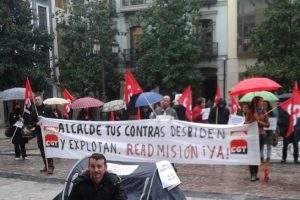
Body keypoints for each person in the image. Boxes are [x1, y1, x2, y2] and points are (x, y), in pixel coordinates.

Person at [245, 96, 269, 181]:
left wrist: (259, 122)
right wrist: (253, 119)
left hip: (261, 135)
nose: (262, 102)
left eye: (262, 101)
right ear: (256, 102)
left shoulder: (263, 111)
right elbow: (246, 123)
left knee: (257, 155)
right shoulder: (250, 111)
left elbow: (267, 124)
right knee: (252, 154)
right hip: (252, 135)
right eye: (261, 101)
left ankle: (256, 173)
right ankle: (252, 174)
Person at [34, 96, 55, 174]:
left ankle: (51, 166)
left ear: (42, 100)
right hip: (39, 133)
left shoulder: (47, 109)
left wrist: (45, 123)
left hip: (47, 133)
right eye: (35, 100)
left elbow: (53, 119)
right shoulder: (34, 110)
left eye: (38, 99)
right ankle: (46, 165)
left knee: (48, 149)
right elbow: (31, 121)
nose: (37, 101)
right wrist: (36, 123)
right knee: (42, 150)